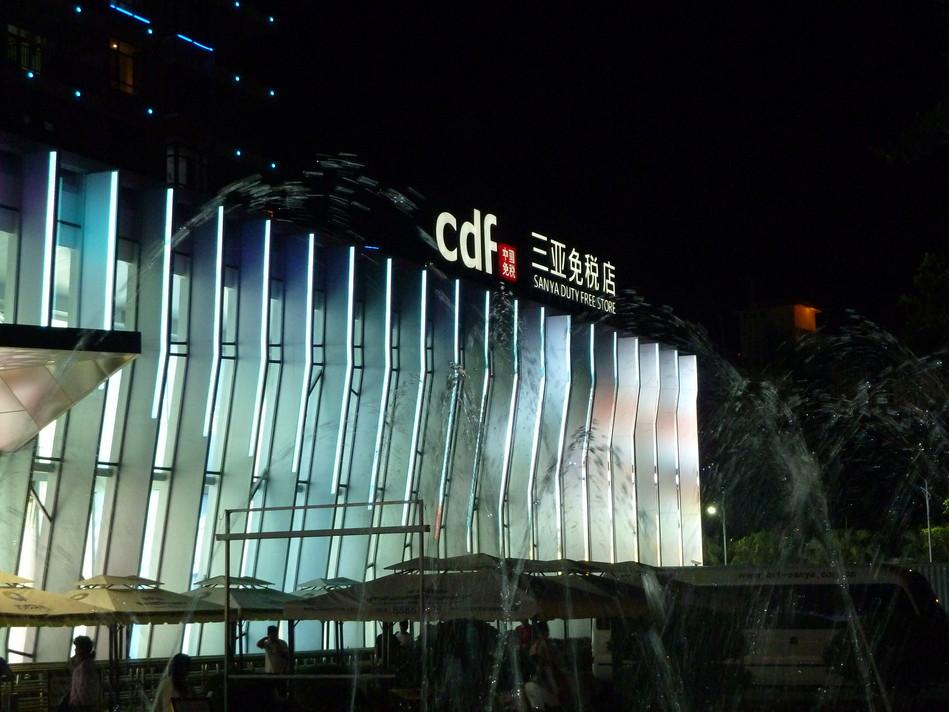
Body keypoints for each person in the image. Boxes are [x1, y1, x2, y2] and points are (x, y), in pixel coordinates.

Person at [64, 635, 98, 712]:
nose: (75, 650)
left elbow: (82, 689)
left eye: (76, 648)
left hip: (80, 706)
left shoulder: (83, 668)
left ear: (81, 650)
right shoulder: (89, 664)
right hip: (86, 705)